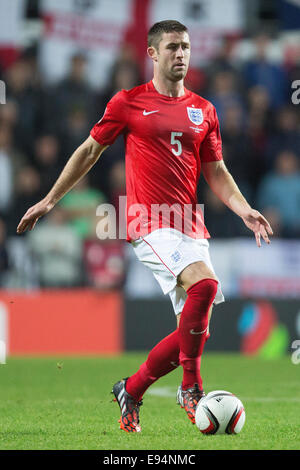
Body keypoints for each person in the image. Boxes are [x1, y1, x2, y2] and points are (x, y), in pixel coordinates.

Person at [17, 20, 273, 433]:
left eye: (186, 47)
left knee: (194, 332)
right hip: (148, 221)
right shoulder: (129, 102)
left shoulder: (204, 110)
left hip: (189, 224)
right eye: (172, 47)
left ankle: (131, 390)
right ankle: (191, 388)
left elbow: (217, 170)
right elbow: (89, 151)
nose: (181, 54)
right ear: (152, 53)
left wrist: (244, 209)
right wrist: (49, 200)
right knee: (205, 288)